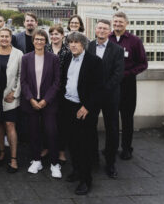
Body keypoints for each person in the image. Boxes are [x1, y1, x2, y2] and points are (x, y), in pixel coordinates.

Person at [62, 33, 103, 195]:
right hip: (68, 105)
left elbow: (99, 88)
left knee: (84, 144)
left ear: (83, 44)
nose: (73, 45)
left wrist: (87, 107)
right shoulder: (66, 59)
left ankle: (86, 180)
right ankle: (77, 170)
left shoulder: (94, 62)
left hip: (84, 108)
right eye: (70, 42)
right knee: (72, 142)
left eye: (76, 42)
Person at [20, 29, 62, 178]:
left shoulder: (53, 58)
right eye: (36, 39)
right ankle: (36, 160)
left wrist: (45, 100)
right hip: (31, 102)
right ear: (33, 41)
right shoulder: (25, 58)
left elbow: (57, 82)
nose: (39, 42)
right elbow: (23, 82)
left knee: (51, 132)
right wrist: (31, 99)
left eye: (42, 39)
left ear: (46, 41)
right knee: (33, 132)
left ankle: (55, 164)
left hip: (48, 102)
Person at [87, 20, 124, 179]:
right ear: (95, 30)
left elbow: (118, 74)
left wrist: (104, 89)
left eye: (105, 28)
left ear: (109, 31)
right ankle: (93, 158)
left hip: (110, 96)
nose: (101, 31)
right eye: (99, 28)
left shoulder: (117, 49)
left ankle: (110, 162)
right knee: (89, 127)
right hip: (91, 96)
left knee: (112, 129)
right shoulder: (88, 47)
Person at [109, 12, 147, 160]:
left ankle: (126, 148)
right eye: (116, 21)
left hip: (128, 84)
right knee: (111, 118)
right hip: (111, 85)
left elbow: (143, 63)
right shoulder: (108, 39)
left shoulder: (135, 41)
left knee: (127, 118)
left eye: (120, 22)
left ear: (126, 24)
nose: (117, 24)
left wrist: (128, 73)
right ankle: (111, 148)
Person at [0, 28, 23, 173]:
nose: (4, 39)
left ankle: (14, 158)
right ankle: (2, 153)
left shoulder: (18, 53)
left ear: (11, 38)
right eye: (1, 36)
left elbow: (22, 75)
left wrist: (15, 93)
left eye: (7, 37)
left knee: (10, 124)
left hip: (10, 95)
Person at [46, 24, 71, 164]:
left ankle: (61, 150)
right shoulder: (45, 49)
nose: (54, 36)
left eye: (57, 34)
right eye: (52, 34)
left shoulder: (67, 51)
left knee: (61, 122)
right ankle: (47, 147)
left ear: (63, 35)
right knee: (46, 121)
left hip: (62, 91)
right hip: (46, 91)